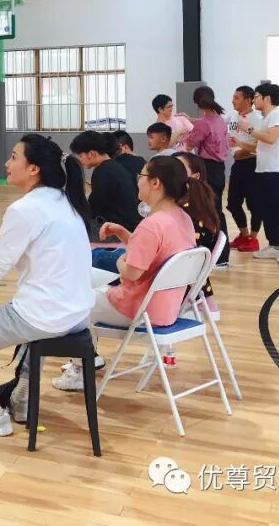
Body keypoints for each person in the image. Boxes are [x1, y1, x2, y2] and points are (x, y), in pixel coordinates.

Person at [0, 135, 94, 431]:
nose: (6, 163)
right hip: (77, 313)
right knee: (20, 312)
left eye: (13, 157)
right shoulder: (67, 201)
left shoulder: (26, 209)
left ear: (34, 169)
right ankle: (22, 399)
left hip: (46, 315)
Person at [53, 156, 205, 391]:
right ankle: (86, 360)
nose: (137, 181)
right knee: (87, 286)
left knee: (74, 301)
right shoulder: (182, 218)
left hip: (140, 309)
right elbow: (155, 252)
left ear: (155, 183)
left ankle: (80, 369)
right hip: (168, 307)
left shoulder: (152, 225)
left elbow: (132, 272)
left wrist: (120, 260)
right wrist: (125, 234)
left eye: (141, 176)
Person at [236, 83, 279, 265]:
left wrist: (248, 129)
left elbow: (271, 139)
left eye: (257, 96)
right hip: (263, 171)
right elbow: (260, 146)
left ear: (267, 98)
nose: (254, 99)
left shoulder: (278, 114)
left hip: (278, 172)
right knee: (267, 209)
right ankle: (274, 246)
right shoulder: (265, 118)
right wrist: (239, 143)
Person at [173, 151, 222, 316]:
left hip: (180, 286)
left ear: (195, 176)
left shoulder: (186, 212)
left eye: (179, 168)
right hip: (194, 286)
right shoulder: (197, 206)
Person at [186, 86, 230, 264]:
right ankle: (222, 253)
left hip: (207, 168)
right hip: (219, 169)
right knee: (216, 209)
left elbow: (190, 143)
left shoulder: (203, 123)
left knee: (209, 211)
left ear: (196, 102)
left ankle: (217, 255)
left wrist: (183, 135)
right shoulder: (220, 120)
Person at [69, 130, 141, 236]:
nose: (80, 160)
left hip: (119, 231)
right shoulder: (115, 167)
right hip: (131, 227)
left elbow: (94, 209)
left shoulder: (102, 171)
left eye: (80, 156)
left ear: (92, 153)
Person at [227, 85, 262, 253]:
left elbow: (260, 144)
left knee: (254, 204)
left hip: (252, 164)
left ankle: (253, 238)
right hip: (238, 164)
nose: (233, 101)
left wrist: (243, 151)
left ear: (248, 100)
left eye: (236, 98)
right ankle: (244, 234)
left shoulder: (257, 119)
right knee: (232, 203)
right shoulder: (233, 117)